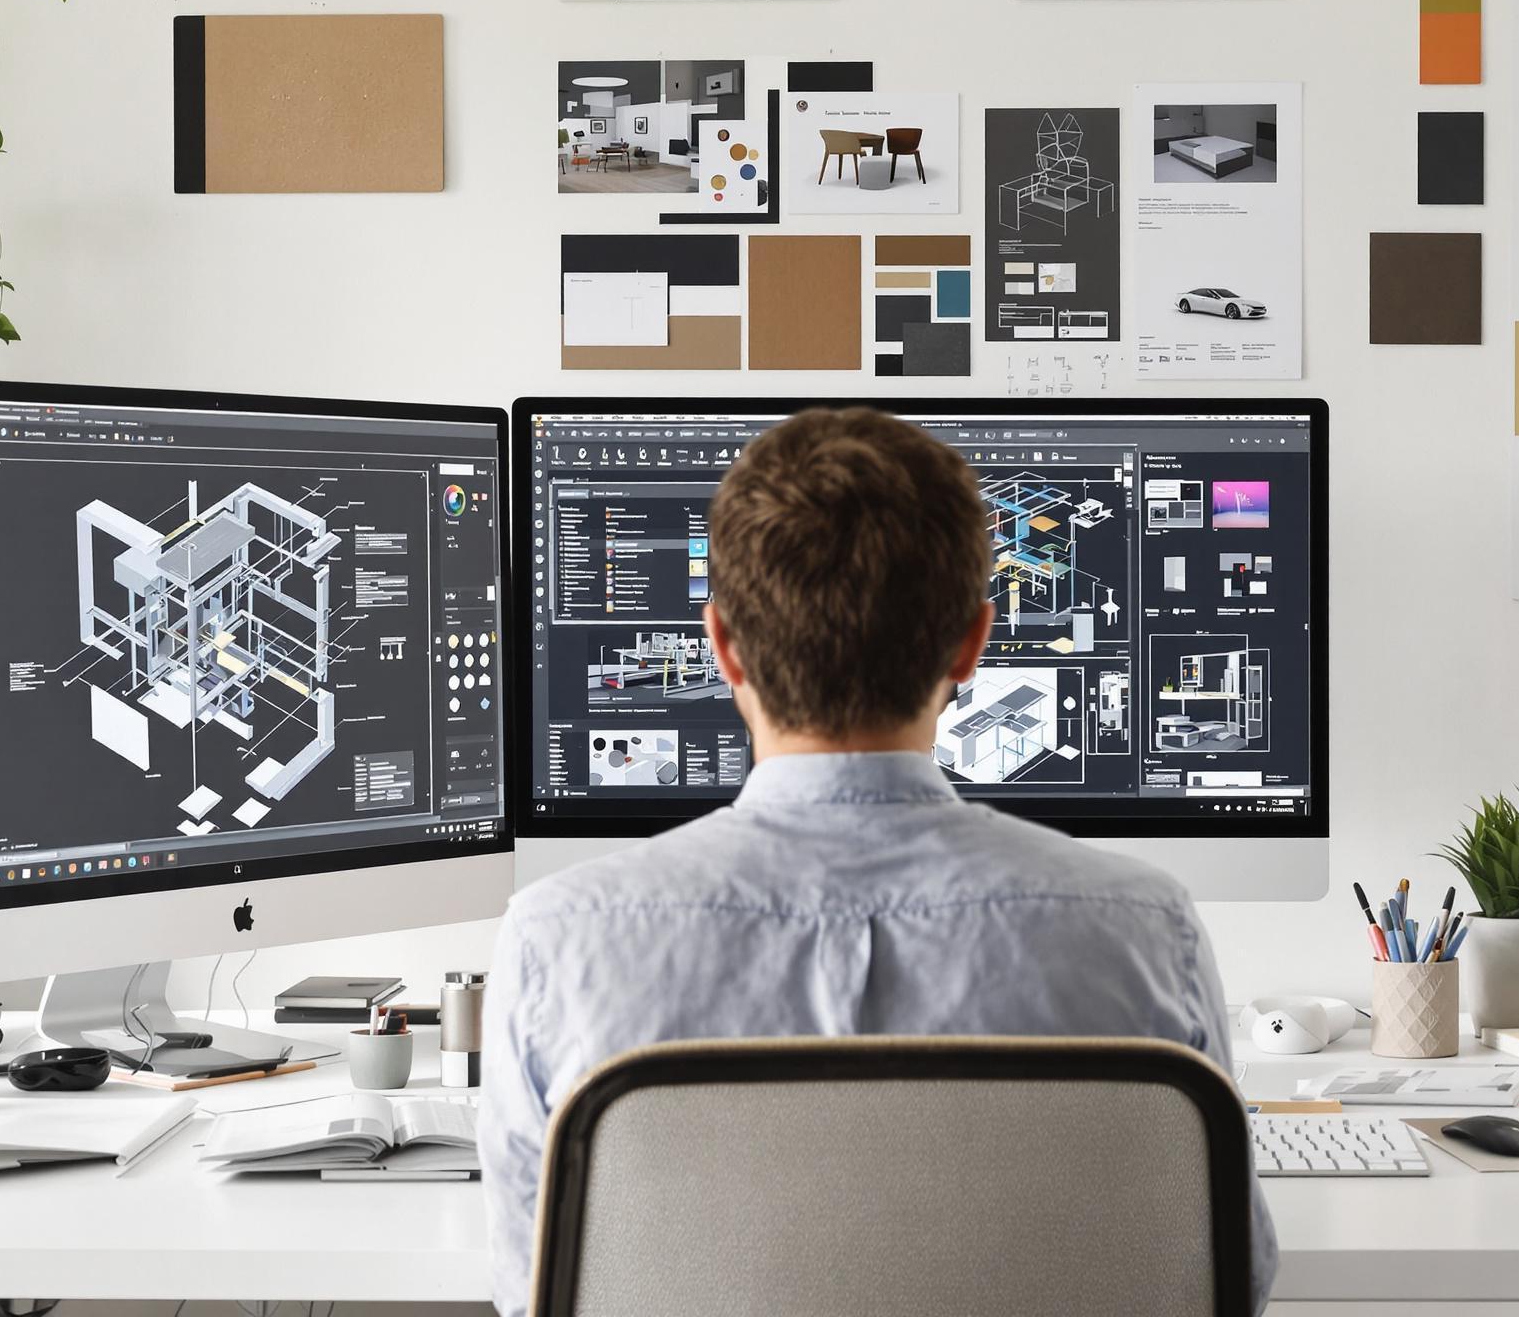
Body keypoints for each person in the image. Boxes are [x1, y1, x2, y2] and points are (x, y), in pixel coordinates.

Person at [480, 406, 1276, 1314]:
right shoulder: (1145, 927)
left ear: (725, 648)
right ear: (972, 644)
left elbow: (528, 1292)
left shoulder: (559, 939)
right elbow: (1230, 1280)